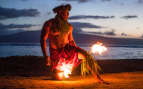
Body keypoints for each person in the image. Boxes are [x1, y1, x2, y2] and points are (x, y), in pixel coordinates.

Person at [40, 4, 105, 83]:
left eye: (67, 13)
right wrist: (46, 56)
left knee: (86, 55)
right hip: (56, 52)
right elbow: (43, 39)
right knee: (58, 78)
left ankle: (98, 78)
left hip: (68, 49)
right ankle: (55, 72)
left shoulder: (69, 27)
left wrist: (77, 51)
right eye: (64, 13)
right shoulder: (49, 23)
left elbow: (71, 40)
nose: (66, 15)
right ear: (59, 13)